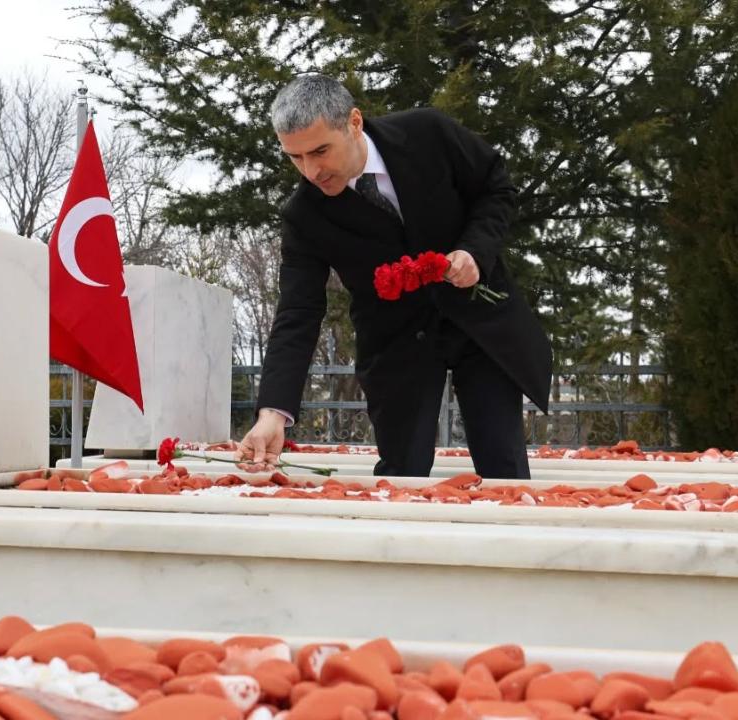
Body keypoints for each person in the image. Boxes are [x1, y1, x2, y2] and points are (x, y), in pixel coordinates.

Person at [237, 74, 553, 479]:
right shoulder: (303, 215)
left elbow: (496, 187)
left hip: (481, 325)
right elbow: (297, 311)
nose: (311, 171)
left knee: (504, 469)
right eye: (295, 158)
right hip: (396, 345)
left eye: (319, 151)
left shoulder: (428, 133)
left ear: (353, 123)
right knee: (401, 474)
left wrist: (475, 251)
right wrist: (272, 413)